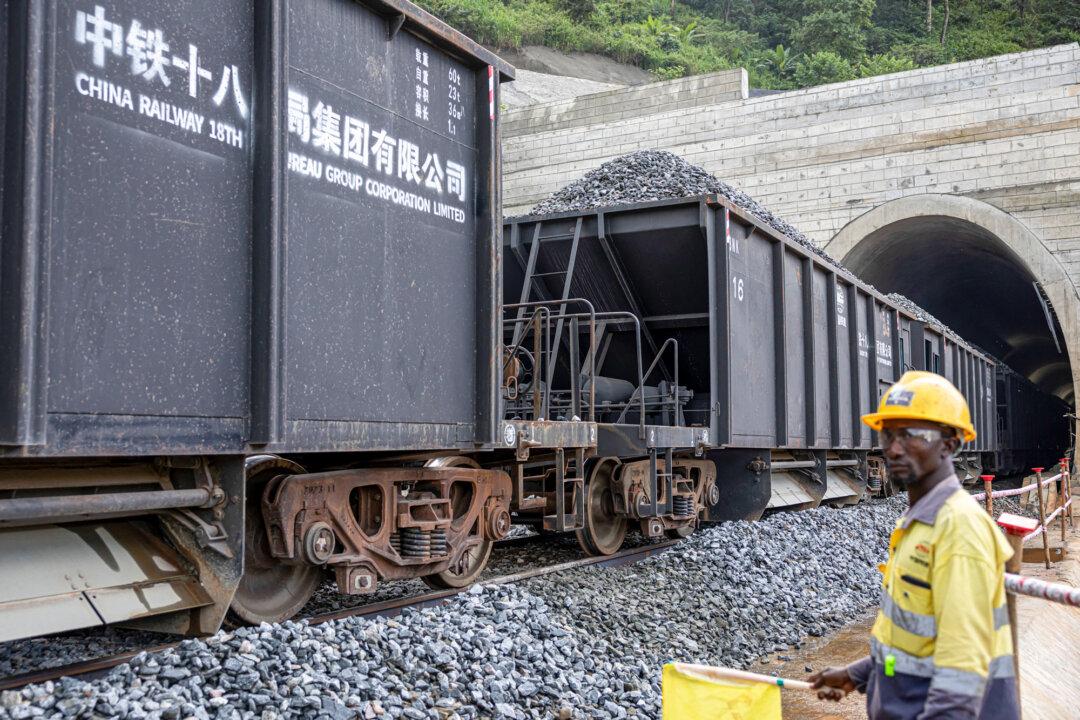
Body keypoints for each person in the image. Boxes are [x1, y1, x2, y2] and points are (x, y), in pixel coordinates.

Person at [810, 371, 1020, 719]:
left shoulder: (958, 528)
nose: (893, 448)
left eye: (911, 435)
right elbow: (916, 638)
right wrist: (859, 674)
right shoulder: (920, 521)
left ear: (950, 444)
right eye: (888, 434)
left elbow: (962, 671)